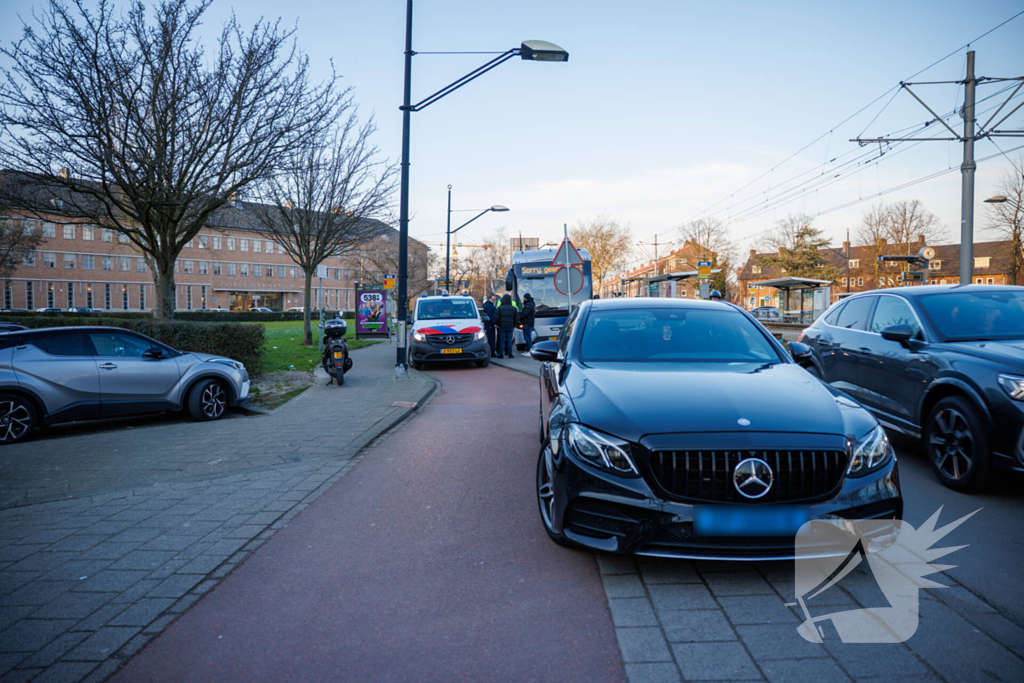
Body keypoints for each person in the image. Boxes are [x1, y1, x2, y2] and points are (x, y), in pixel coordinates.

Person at [493, 293, 519, 358]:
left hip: (502, 327)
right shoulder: (513, 308)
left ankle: (501, 354)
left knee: (502, 341)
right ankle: (510, 354)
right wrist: (515, 325)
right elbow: (516, 318)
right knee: (509, 341)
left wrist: (497, 324)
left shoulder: (500, 308)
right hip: (510, 326)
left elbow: (496, 317)